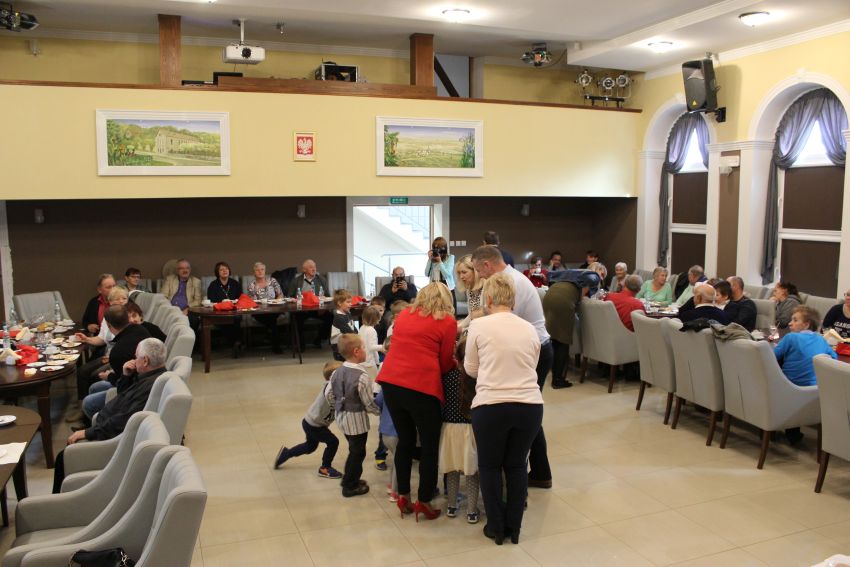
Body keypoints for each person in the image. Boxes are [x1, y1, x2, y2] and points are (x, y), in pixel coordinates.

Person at [464, 273, 543, 545]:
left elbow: (470, 368)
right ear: (513, 299)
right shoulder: (529, 328)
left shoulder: (479, 325)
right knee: (517, 466)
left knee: (489, 466)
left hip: (491, 405)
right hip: (529, 405)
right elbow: (532, 364)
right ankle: (515, 528)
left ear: (488, 299)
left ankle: (496, 528)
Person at [471, 245, 552, 489]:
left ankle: (529, 471)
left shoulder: (509, 283)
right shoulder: (509, 278)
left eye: (479, 270)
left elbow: (502, 323)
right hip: (531, 347)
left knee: (525, 408)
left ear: (487, 265)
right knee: (527, 412)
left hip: (536, 349)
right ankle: (539, 471)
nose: (479, 276)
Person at [376, 282, 456, 520]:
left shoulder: (405, 315)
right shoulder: (447, 322)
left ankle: (403, 496)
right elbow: (445, 362)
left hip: (391, 381)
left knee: (406, 440)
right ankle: (424, 500)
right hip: (421, 386)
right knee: (429, 446)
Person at [55, 338, 168, 493]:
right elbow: (124, 396)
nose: (133, 360)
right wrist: (126, 375)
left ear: (145, 360)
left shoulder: (150, 386)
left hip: (111, 438)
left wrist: (88, 432)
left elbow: (123, 421)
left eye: (136, 357)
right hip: (107, 427)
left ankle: (61, 500)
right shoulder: (150, 377)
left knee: (63, 458)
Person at [326, 334, 381, 497]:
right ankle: (349, 485)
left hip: (342, 418)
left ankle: (352, 479)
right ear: (356, 351)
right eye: (363, 347)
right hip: (357, 422)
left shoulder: (336, 372)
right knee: (358, 453)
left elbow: (328, 394)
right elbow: (368, 403)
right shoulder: (362, 377)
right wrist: (380, 412)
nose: (365, 350)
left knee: (353, 449)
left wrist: (338, 405)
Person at [775, 306, 838, 445]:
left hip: (790, 386)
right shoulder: (821, 339)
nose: (790, 323)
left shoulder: (791, 337)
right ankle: (794, 435)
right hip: (815, 389)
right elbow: (833, 358)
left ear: (806, 324)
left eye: (795, 320)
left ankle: (774, 430)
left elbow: (772, 356)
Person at [273, 360, 344, 480]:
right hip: (315, 425)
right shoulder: (331, 390)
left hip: (310, 422)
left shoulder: (336, 387)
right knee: (333, 442)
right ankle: (325, 468)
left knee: (310, 446)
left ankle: (286, 453)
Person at [80, 304, 151, 421]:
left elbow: (123, 386)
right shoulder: (141, 329)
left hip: (135, 392)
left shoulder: (118, 352)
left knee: (88, 403)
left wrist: (109, 376)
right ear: (127, 318)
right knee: (94, 387)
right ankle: (88, 422)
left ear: (108, 325)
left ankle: (101, 427)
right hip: (145, 381)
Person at [440, 337, 480, 524]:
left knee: (452, 469)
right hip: (470, 428)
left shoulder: (447, 376)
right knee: (471, 471)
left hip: (449, 428)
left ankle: (451, 506)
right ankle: (472, 511)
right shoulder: (476, 377)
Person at [73, 286, 130, 405]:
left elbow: (127, 346)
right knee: (82, 371)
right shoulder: (108, 316)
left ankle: (94, 405)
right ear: (110, 302)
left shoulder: (128, 317)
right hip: (108, 354)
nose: (121, 302)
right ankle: (82, 405)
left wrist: (111, 357)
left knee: (95, 375)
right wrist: (87, 339)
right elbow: (102, 339)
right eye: (117, 299)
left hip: (118, 357)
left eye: (124, 298)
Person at [544, 269, 601, 387]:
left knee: (555, 340)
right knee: (563, 342)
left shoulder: (571, 277)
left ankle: (554, 375)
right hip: (562, 303)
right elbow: (582, 297)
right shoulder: (588, 280)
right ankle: (558, 380)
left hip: (548, 298)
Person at [288, 259, 332, 350]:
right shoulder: (296, 281)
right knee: (296, 319)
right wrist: (294, 300)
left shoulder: (321, 279)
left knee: (330, 317)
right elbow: (290, 297)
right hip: (302, 309)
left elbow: (328, 296)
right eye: (311, 267)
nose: (314, 269)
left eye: (314, 267)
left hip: (318, 309)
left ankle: (319, 339)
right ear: (304, 270)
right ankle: (300, 345)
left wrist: (323, 308)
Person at [206, 261, 243, 357]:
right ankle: (236, 343)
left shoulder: (235, 283)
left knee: (237, 318)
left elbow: (240, 299)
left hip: (234, 311)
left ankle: (235, 344)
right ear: (217, 272)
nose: (224, 271)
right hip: (219, 312)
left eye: (226, 269)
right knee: (224, 321)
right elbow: (211, 301)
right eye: (221, 270)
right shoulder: (213, 285)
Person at [248, 261, 285, 354]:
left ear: (265, 271)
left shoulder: (272, 281)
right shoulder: (252, 286)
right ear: (254, 273)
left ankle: (270, 335)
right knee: (272, 321)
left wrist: (276, 301)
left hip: (274, 309)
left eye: (262, 269)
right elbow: (252, 301)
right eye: (257, 270)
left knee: (272, 317)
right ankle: (276, 345)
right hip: (259, 312)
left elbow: (280, 294)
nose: (260, 271)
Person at [160, 258, 202, 330]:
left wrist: (187, 309)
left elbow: (198, 300)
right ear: (177, 270)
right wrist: (171, 309)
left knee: (193, 320)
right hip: (171, 310)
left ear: (190, 270)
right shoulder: (170, 279)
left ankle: (191, 337)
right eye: (182, 268)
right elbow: (162, 297)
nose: (185, 270)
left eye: (187, 268)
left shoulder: (196, 281)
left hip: (187, 311)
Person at [455, 254, 483, 332]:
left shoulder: (486, 288)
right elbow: (471, 315)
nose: (461, 276)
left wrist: (463, 329)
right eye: (459, 273)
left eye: (464, 272)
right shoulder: (469, 289)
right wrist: (458, 326)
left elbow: (485, 317)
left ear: (475, 271)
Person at [425, 237, 456, 302]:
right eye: (435, 248)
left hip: (447, 286)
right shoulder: (432, 259)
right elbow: (426, 273)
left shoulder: (450, 258)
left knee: (448, 307)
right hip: (435, 286)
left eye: (438, 248)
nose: (437, 250)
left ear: (444, 248)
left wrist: (440, 262)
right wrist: (429, 259)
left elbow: (447, 274)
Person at [358, 306, 384, 380]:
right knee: (374, 381)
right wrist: (383, 347)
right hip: (369, 361)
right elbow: (372, 347)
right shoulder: (371, 330)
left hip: (363, 359)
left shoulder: (362, 327)